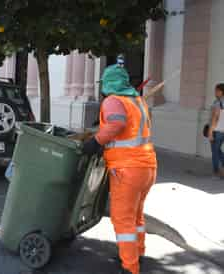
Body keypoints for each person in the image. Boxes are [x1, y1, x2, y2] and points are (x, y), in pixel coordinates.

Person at [83, 64, 157, 274]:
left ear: (109, 83)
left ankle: (130, 267)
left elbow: (116, 125)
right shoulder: (137, 100)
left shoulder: (113, 100)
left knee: (123, 219)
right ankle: (137, 253)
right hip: (147, 166)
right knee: (136, 216)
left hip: (127, 168)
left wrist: (96, 141)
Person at [208, 83, 224, 179]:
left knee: (215, 151)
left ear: (221, 91)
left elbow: (215, 117)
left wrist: (210, 132)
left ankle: (216, 171)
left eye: (216, 90)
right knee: (217, 150)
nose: (215, 92)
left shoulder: (218, 102)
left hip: (217, 130)